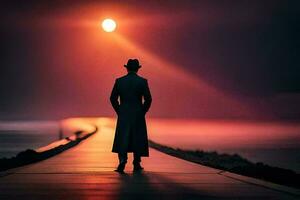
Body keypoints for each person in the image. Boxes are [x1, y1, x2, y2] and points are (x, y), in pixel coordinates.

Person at [110, 58, 152, 173]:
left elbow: (112, 98)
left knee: (122, 137)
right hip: (138, 113)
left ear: (127, 68)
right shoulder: (142, 81)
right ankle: (136, 163)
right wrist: (143, 111)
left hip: (124, 113)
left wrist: (119, 110)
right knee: (137, 137)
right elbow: (148, 99)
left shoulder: (119, 81)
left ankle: (122, 161)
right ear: (137, 69)